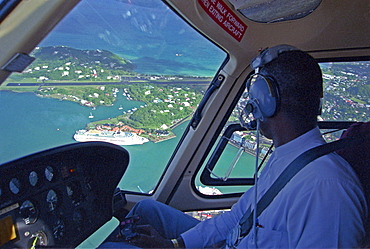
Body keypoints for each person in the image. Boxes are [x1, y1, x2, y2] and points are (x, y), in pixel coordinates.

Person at [100, 45, 368, 248]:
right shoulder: (286, 156)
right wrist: (175, 245)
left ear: (265, 101)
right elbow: (236, 218)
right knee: (147, 210)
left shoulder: (327, 189)